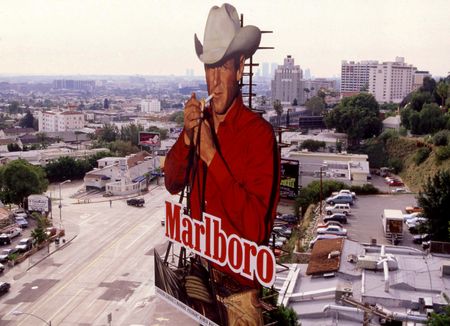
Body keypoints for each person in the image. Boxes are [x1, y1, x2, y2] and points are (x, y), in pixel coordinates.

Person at [164, 3, 280, 323]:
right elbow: (172, 182)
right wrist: (187, 138)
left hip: (239, 291)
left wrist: (211, 157)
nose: (214, 82)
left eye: (223, 68)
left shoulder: (259, 136)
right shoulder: (199, 125)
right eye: (209, 68)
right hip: (199, 280)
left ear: (239, 68)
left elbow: (256, 228)